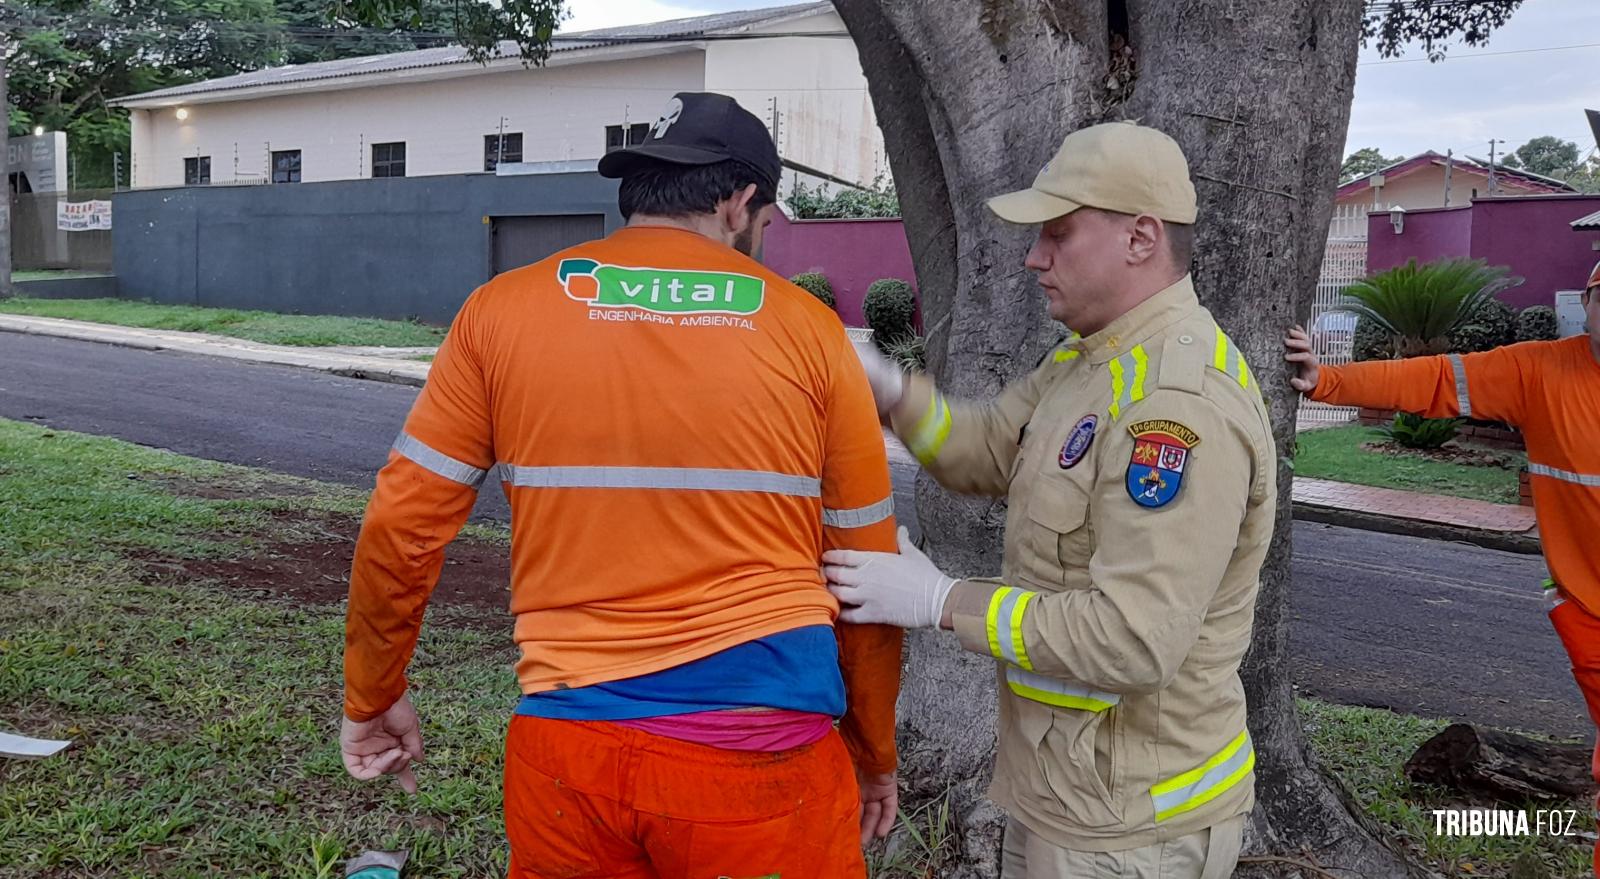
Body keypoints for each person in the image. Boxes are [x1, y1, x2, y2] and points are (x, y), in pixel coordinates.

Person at [339, 91, 904, 878]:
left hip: (569, 747)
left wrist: (372, 694)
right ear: (740, 202)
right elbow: (866, 570)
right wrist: (874, 748)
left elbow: (401, 524)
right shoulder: (810, 332)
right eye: (767, 226)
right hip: (761, 753)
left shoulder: (499, 311)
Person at [828, 122, 1276, 878]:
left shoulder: (1176, 407)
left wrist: (942, 599)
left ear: (1140, 238)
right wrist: (894, 391)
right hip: (1066, 795)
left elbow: (1132, 639)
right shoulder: (1085, 361)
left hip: (1136, 826)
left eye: (1058, 234)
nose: (1035, 256)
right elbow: (984, 450)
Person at [1284, 261, 1600, 874]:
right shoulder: (1540, 370)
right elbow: (1437, 379)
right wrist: (1329, 380)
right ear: (1586, 304)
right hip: (1591, 616)